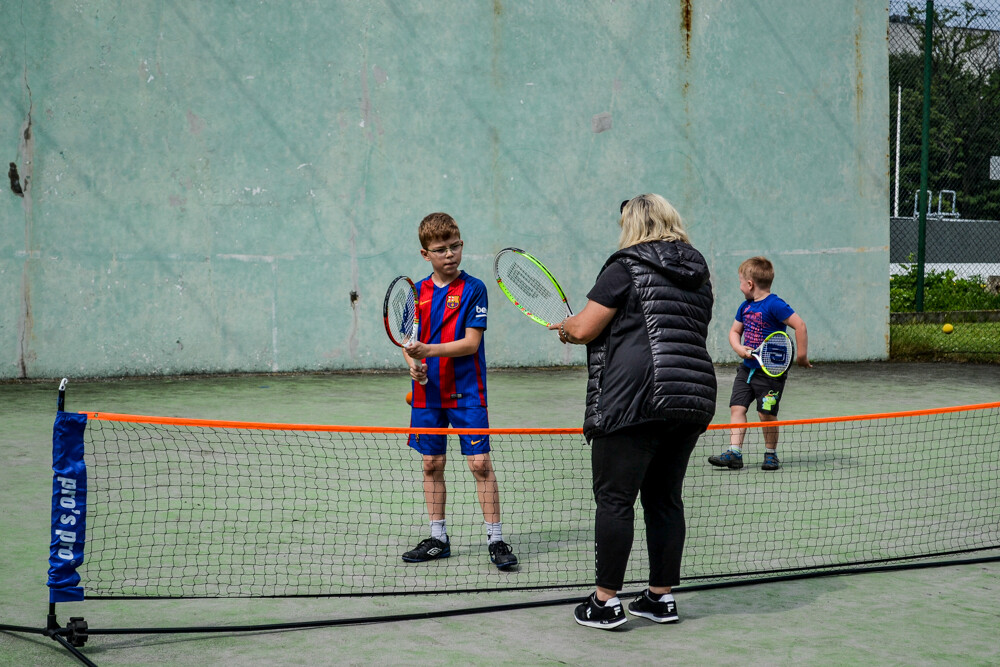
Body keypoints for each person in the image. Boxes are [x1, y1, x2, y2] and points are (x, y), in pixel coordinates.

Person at [549, 194, 716, 630]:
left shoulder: (623, 266)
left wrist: (568, 328)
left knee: (615, 500)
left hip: (633, 398)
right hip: (691, 397)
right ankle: (660, 598)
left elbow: (585, 328)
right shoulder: (699, 273)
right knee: (664, 499)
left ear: (634, 225)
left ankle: (605, 603)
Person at [399, 212, 518, 570]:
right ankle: (438, 538)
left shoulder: (474, 289)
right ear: (426, 254)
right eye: (441, 250)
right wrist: (413, 364)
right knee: (431, 463)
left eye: (455, 247)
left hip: (467, 392)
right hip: (427, 395)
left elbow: (470, 343)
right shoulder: (415, 292)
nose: (450, 254)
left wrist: (428, 351)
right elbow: (408, 341)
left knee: (480, 465)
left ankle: (496, 541)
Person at [708, 256, 811, 472]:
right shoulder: (744, 307)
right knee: (737, 407)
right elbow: (735, 331)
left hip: (770, 372)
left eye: (740, 282)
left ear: (750, 284)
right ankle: (734, 453)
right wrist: (738, 348)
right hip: (746, 370)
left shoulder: (775, 304)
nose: (739, 286)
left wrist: (801, 356)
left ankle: (771, 454)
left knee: (766, 414)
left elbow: (799, 325)